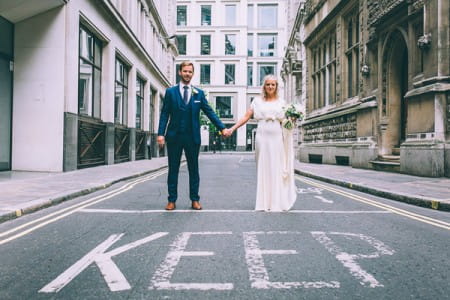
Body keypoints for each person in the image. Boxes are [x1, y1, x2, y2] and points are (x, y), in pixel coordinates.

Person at [157, 61, 229, 211]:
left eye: (190, 72)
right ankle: (171, 200)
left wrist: (222, 128)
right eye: (185, 71)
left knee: (193, 169)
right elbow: (164, 114)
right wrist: (160, 134)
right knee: (173, 169)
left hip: (192, 137)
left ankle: (194, 199)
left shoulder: (199, 93)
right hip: (174, 136)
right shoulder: (170, 92)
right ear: (180, 72)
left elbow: (209, 112)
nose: (187, 74)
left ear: (193, 73)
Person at [227, 75, 297, 211]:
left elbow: (286, 123)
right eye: (268, 84)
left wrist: (292, 121)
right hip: (262, 137)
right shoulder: (257, 101)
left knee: (276, 167)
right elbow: (246, 117)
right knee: (263, 167)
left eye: (273, 85)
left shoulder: (282, 103)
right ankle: (264, 203)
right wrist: (232, 128)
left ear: (276, 87)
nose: (270, 87)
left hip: (277, 137)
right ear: (264, 86)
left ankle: (276, 202)